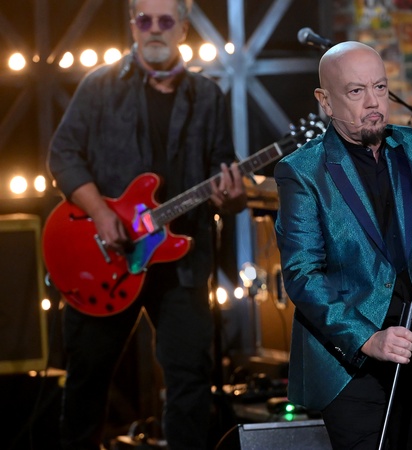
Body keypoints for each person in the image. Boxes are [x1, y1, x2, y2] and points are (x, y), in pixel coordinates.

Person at [46, 0, 247, 448]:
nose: (154, 29)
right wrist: (101, 213)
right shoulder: (99, 86)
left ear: (183, 29)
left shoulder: (208, 96)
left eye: (165, 20)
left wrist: (232, 197)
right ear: (133, 26)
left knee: (190, 383)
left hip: (181, 264)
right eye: (145, 20)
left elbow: (225, 178)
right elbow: (62, 155)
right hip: (107, 259)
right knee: (86, 382)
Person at [273, 41, 412, 449]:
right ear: (326, 101)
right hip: (350, 362)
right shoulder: (302, 171)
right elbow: (302, 275)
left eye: (380, 87)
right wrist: (368, 339)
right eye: (356, 91)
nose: (373, 102)